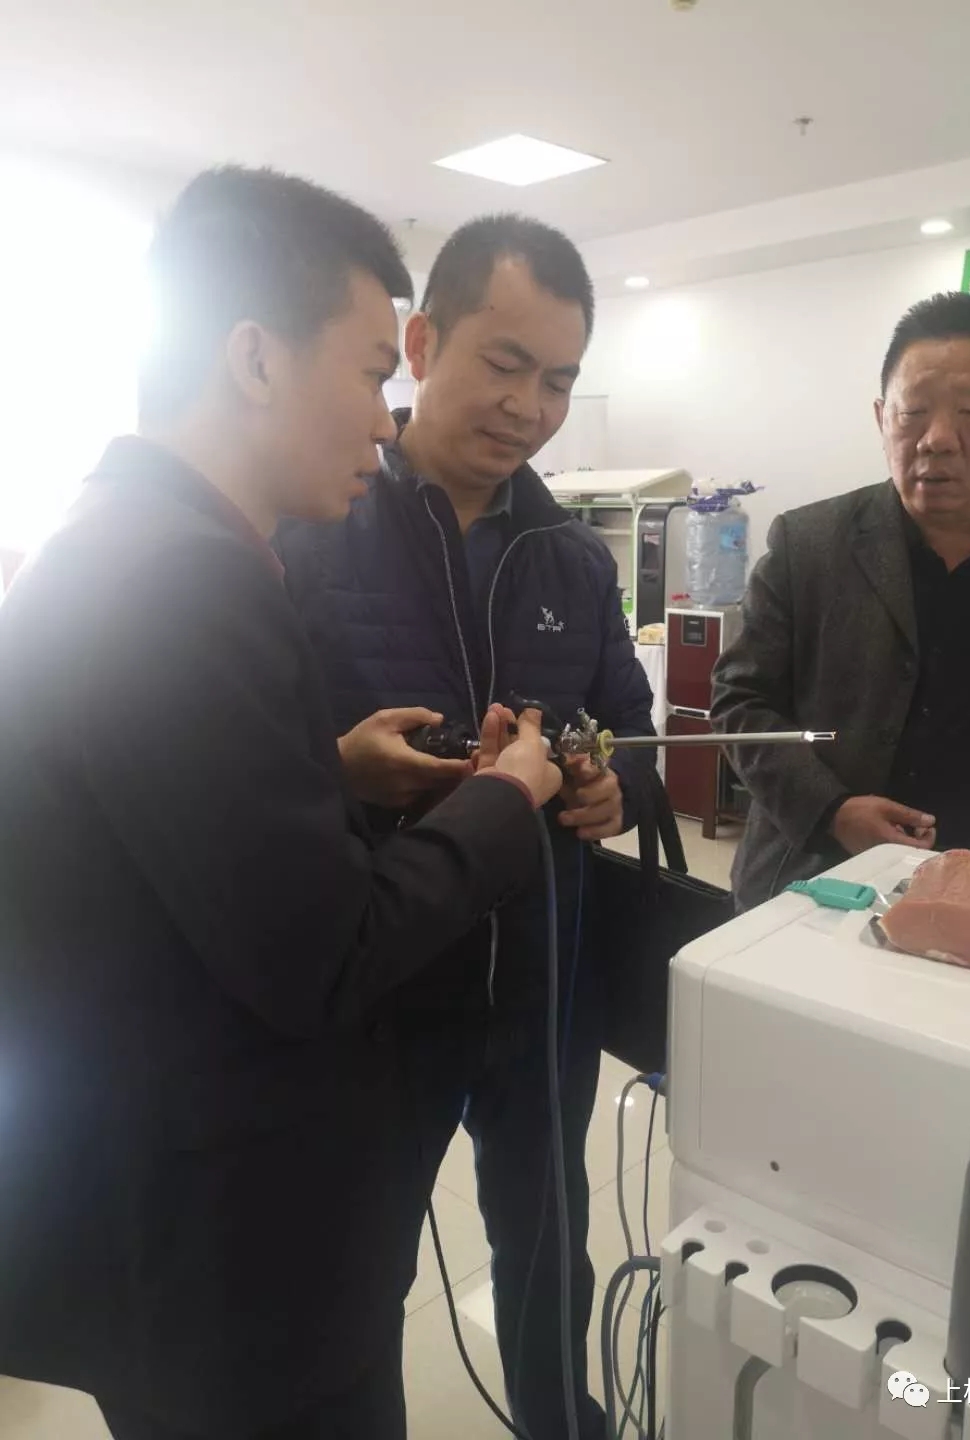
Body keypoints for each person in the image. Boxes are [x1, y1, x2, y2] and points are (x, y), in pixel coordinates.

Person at [0, 166, 565, 1440]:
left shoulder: (112, 536)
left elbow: (166, 827)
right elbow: (329, 950)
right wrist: (503, 802)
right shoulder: (189, 579)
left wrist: (331, 770)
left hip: (154, 1216)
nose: (383, 422)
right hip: (232, 1251)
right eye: (369, 372)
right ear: (255, 358)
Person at [277, 214, 656, 1440]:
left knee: (551, 1247)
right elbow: (253, 778)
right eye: (505, 363)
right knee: (353, 1271)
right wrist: (349, 777)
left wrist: (607, 787)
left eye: (559, 381)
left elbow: (630, 732)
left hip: (542, 982)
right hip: (381, 989)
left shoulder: (572, 558)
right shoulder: (310, 526)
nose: (530, 408)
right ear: (422, 343)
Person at [713, 291, 970, 913]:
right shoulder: (807, 542)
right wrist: (831, 808)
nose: (939, 440)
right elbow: (738, 699)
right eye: (913, 413)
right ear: (883, 416)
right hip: (825, 876)